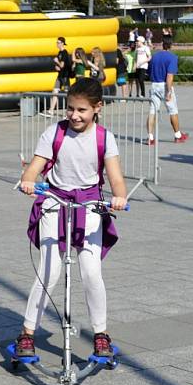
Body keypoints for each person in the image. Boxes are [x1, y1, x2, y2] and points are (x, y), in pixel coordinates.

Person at [14, 78, 128, 363]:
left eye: (81, 110)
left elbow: (115, 177)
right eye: (70, 109)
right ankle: (27, 334)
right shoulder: (55, 132)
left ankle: (101, 336)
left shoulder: (104, 137)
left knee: (90, 272)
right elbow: (34, 169)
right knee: (50, 270)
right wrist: (28, 182)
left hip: (89, 204)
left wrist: (119, 197)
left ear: (97, 108)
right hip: (55, 201)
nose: (74, 115)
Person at [146, 36, 188, 145]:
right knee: (173, 110)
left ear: (162, 43)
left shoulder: (154, 57)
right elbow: (169, 76)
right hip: (164, 86)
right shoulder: (172, 57)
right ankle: (178, 135)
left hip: (154, 84)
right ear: (171, 45)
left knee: (152, 111)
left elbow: (149, 72)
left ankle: (150, 137)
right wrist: (169, 91)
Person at [49, 37, 71, 114]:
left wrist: (57, 61)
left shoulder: (64, 53)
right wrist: (57, 67)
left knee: (67, 93)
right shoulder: (59, 53)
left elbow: (62, 65)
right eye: (57, 43)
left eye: (58, 43)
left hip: (65, 76)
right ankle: (51, 110)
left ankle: (68, 112)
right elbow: (61, 66)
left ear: (62, 43)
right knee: (55, 91)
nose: (57, 44)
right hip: (60, 75)